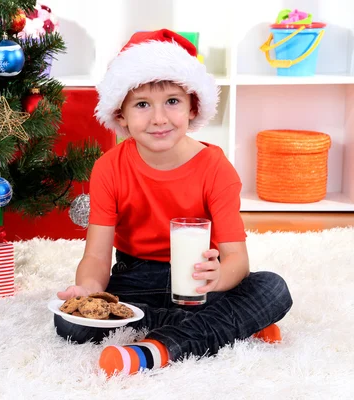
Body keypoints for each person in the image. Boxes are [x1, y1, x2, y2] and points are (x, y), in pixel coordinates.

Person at [54, 29, 293, 377]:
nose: (159, 119)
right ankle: (233, 326)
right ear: (120, 115)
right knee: (70, 325)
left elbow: (237, 260)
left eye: (172, 101)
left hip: (200, 280)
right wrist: (88, 291)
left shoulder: (215, 168)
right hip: (136, 279)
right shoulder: (108, 168)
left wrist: (219, 278)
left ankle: (155, 351)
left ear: (192, 106)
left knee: (272, 288)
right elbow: (96, 255)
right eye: (141, 105)